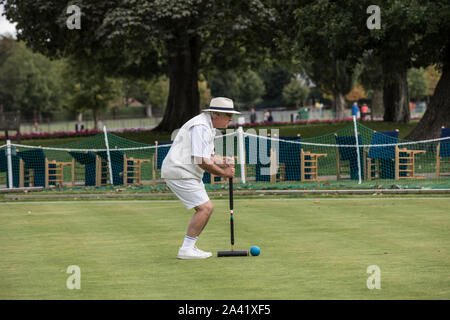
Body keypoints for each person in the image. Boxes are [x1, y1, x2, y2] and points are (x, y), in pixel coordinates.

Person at [161, 97, 240, 259]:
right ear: (216, 114)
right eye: (227, 115)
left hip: (184, 172)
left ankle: (189, 247)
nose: (231, 119)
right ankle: (186, 249)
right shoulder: (201, 127)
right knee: (205, 208)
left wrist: (223, 161)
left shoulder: (208, 127)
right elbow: (201, 160)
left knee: (205, 208)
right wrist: (224, 173)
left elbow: (208, 156)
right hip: (180, 171)